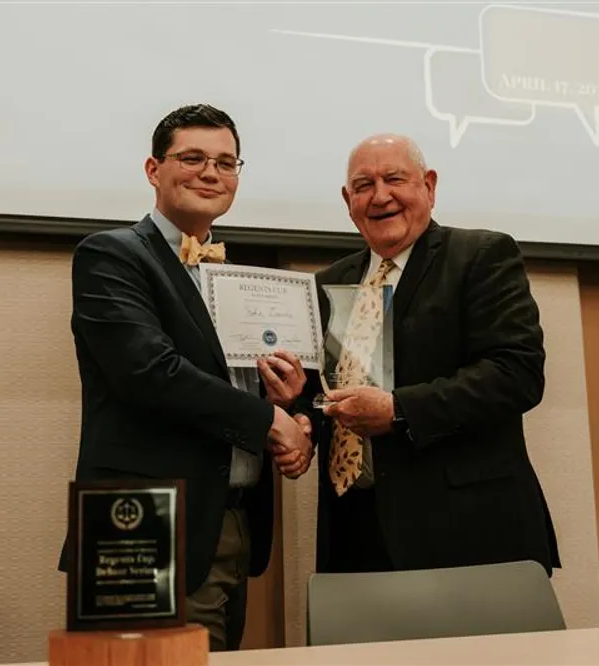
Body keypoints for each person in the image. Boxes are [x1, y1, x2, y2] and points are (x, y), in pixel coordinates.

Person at [58, 104, 314, 651]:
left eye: (225, 162)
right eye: (192, 158)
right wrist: (270, 421)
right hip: (147, 526)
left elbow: (232, 391)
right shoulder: (111, 255)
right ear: (154, 170)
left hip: (233, 522)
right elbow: (151, 373)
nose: (210, 173)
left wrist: (286, 403)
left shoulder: (235, 278)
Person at [304, 134, 560, 577]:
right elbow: (326, 390)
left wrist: (398, 410)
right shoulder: (327, 283)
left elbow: (515, 374)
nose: (379, 196)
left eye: (394, 179)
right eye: (363, 186)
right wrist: (297, 408)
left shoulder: (480, 256)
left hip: (467, 533)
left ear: (429, 186)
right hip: (355, 534)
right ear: (348, 201)